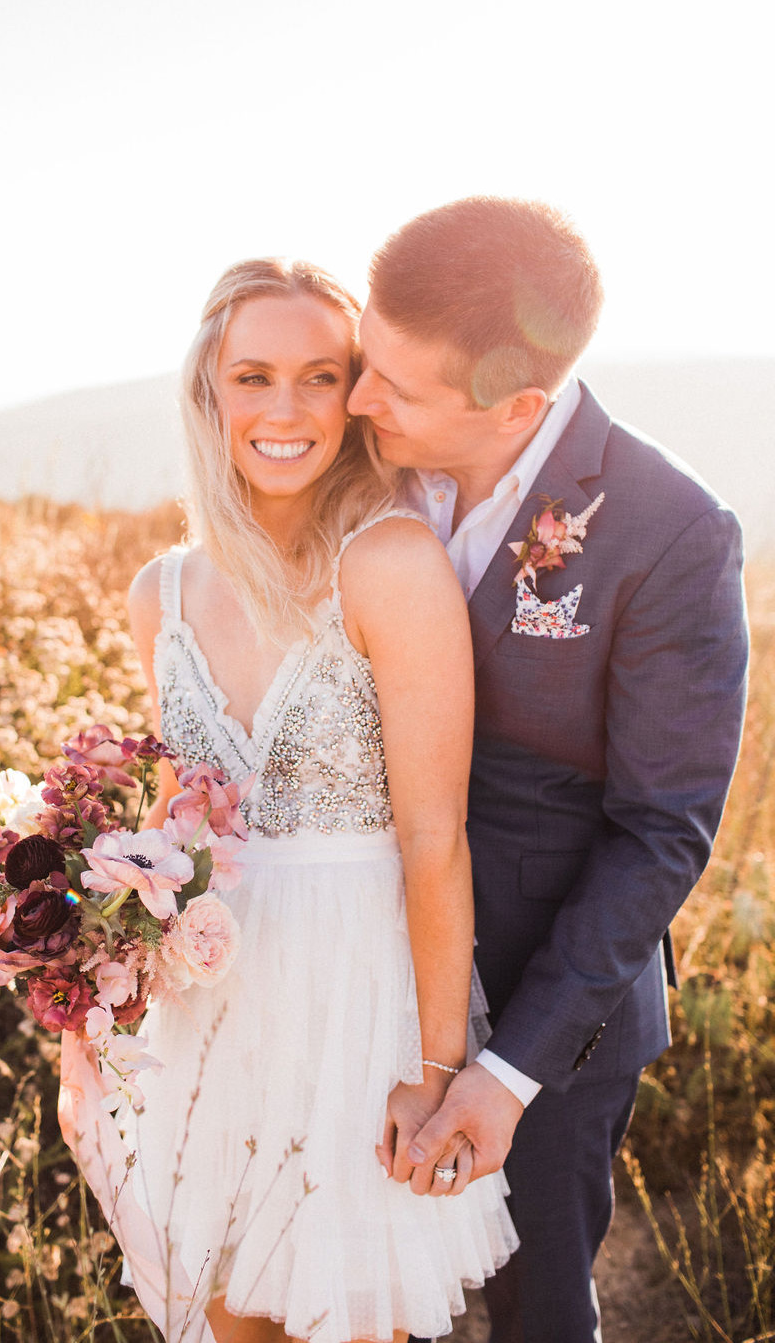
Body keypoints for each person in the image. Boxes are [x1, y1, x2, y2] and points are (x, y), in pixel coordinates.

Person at [345, 196, 749, 1342]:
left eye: (396, 386)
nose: (357, 398)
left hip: (546, 1006)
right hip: (351, 971)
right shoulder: (360, 469)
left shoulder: (670, 531)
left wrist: (507, 1071)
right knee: (360, 1289)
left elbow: (660, 828)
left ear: (516, 405)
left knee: (535, 1308)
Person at [124, 258, 518, 1343]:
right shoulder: (159, 591)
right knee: (227, 1312)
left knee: (347, 1320)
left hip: (355, 998)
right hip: (208, 998)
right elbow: (172, 822)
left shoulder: (388, 562)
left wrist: (434, 1068)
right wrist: (87, 952)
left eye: (319, 375)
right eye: (253, 376)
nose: (286, 410)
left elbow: (434, 837)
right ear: (210, 389)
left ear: (355, 393)